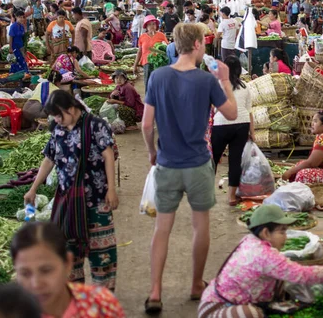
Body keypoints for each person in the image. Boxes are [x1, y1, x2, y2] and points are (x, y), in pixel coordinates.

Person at [141, 23, 238, 314]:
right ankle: (196, 284)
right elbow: (232, 113)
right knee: (200, 227)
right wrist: (225, 80)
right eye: (204, 42)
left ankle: (155, 291)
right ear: (196, 45)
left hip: (168, 163)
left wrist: (152, 153)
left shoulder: (158, 77)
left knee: (162, 229)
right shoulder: (206, 81)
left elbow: (146, 125)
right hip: (198, 163)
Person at [198, 204, 323, 318]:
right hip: (216, 308)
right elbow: (301, 274)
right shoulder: (263, 255)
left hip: (229, 298)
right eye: (281, 232)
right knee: (253, 313)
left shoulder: (250, 241)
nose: (285, 238)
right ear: (266, 233)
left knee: (283, 284)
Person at [24, 90, 119, 290]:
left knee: (102, 255)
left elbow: (108, 156)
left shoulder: (95, 125)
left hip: (96, 199)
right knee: (68, 255)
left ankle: (102, 299)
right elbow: (49, 159)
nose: (57, 120)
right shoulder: (58, 130)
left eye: (59, 115)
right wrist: (33, 188)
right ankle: (75, 300)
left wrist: (111, 189)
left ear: (70, 109)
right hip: (68, 201)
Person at [11, 222, 125, 318]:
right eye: (25, 273)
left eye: (46, 270)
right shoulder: (7, 313)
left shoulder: (102, 304)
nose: (36, 284)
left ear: (68, 263)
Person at [211, 56, 255, 206]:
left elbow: (214, 108)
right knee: (235, 160)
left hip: (221, 124)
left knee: (213, 159)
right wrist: (252, 132)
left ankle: (206, 193)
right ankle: (231, 197)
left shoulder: (218, 85)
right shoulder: (245, 86)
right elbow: (249, 111)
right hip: (242, 124)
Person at [282, 111, 323, 183]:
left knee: (303, 174)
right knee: (300, 164)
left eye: (315, 121)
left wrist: (289, 172)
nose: (312, 124)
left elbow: (312, 163)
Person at [133, 14, 167, 91]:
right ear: (146, 26)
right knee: (148, 82)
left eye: (153, 24)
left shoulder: (161, 35)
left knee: (158, 83)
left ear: (156, 25)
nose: (152, 26)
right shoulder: (142, 37)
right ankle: (148, 100)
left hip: (159, 63)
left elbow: (166, 48)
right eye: (149, 24)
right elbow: (140, 52)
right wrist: (135, 65)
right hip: (147, 62)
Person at [8, 9, 29, 74]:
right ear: (16, 17)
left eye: (23, 17)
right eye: (20, 17)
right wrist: (10, 48)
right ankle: (16, 76)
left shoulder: (22, 26)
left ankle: (23, 75)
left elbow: (23, 37)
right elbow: (11, 37)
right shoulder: (13, 26)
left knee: (22, 61)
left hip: (21, 46)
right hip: (15, 47)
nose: (22, 19)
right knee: (17, 62)